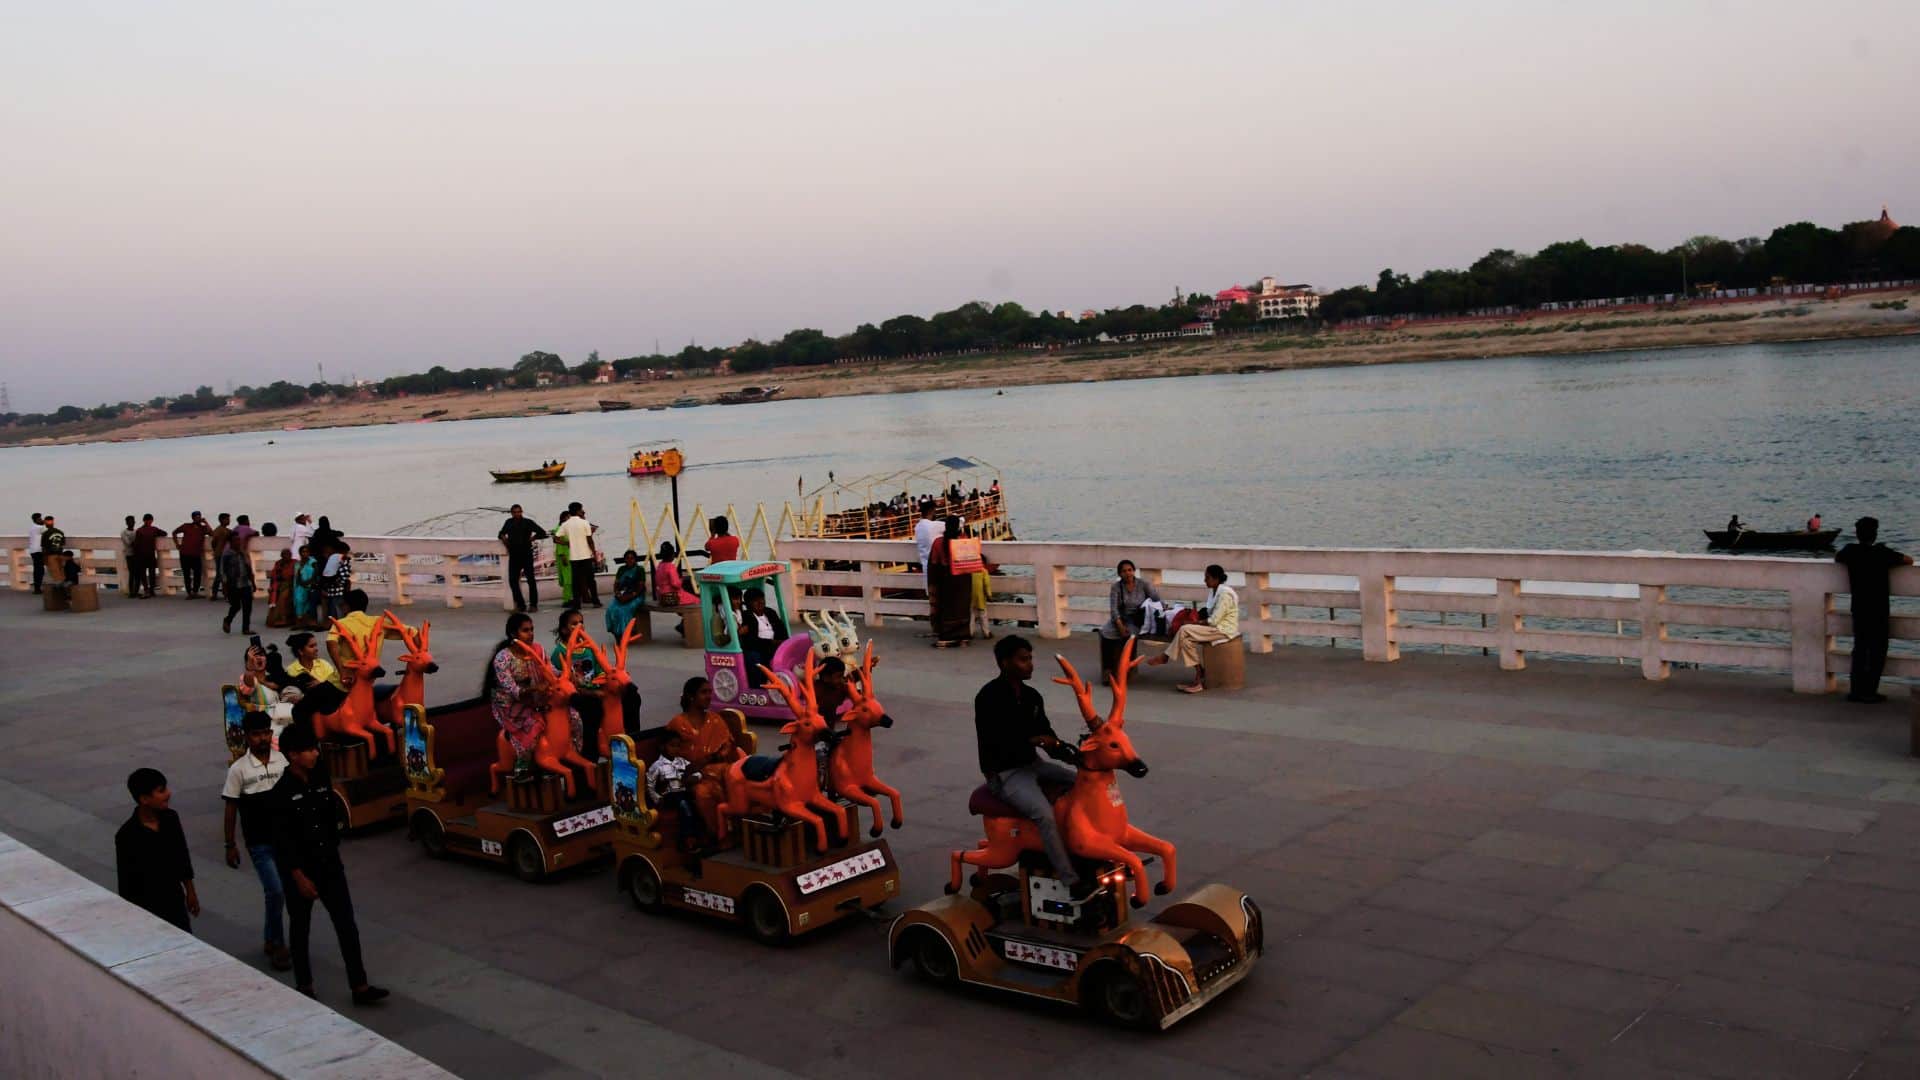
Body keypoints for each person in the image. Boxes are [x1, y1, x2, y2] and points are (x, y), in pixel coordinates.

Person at [268, 724, 388, 1004]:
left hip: (330, 865)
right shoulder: (281, 793)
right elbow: (282, 843)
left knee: (347, 925)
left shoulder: (321, 775)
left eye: (315, 748)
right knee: (300, 928)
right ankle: (304, 985)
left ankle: (359, 986)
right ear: (292, 755)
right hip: (301, 871)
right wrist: (299, 877)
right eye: (309, 750)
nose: (315, 754)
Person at [974, 635, 1080, 888]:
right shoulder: (987, 697)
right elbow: (997, 740)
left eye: (1030, 658)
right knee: (1044, 814)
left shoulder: (1033, 696)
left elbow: (1047, 732)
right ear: (1004, 663)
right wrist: (1035, 740)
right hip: (1005, 773)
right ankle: (1070, 879)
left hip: (1032, 764)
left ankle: (1077, 847)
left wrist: (1070, 753)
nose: (1030, 665)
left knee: (1081, 783)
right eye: (1023, 660)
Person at [222, 711, 292, 971]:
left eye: (265, 733)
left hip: (285, 839)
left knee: (276, 894)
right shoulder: (238, 770)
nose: (262, 738)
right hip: (259, 842)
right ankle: (279, 945)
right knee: (275, 890)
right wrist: (230, 844)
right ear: (247, 737)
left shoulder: (283, 762)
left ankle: (270, 939)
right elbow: (230, 809)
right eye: (256, 734)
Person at [1835, 517, 1913, 704]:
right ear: (1875, 534)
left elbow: (1837, 557)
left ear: (1857, 534)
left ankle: (1856, 691)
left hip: (1859, 608)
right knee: (1877, 650)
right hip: (1878, 610)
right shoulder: (1882, 553)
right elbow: (1909, 560)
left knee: (1860, 648)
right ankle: (1870, 691)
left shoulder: (1850, 551)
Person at [115, 768, 199, 932]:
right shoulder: (127, 835)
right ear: (144, 799)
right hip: (148, 906)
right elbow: (126, 881)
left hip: (174, 899)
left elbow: (182, 856)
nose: (168, 793)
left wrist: (190, 891)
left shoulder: (171, 818)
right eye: (161, 791)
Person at [668, 677, 748, 838]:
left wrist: (716, 758)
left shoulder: (715, 719)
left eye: (710, 692)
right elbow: (672, 757)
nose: (709, 696)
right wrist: (701, 765)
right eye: (704, 692)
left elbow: (728, 746)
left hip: (721, 769)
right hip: (694, 777)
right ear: (691, 696)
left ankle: (744, 829)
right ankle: (719, 835)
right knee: (703, 792)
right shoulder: (677, 724)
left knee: (740, 780)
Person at [1146, 564, 1239, 693]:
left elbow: (1214, 620)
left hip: (1223, 629)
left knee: (1184, 629)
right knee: (1186, 640)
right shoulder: (1214, 592)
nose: (1204, 580)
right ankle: (1199, 674)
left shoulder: (1224, 595)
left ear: (1216, 579)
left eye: (1207, 577)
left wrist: (1196, 623)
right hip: (1215, 627)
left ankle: (1166, 656)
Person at [485, 613, 551, 767]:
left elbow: (550, 670)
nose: (530, 634)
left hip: (536, 699)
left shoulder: (538, 650)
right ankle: (522, 767)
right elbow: (512, 690)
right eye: (525, 630)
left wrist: (565, 675)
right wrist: (535, 688)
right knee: (535, 725)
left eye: (532, 630)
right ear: (513, 634)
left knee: (571, 716)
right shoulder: (503, 658)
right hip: (510, 705)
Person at [1100, 560, 1162, 684]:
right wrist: (1120, 625)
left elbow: (1157, 600)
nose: (1127, 573)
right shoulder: (1116, 587)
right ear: (1119, 573)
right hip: (1121, 618)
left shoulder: (1143, 584)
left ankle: (1125, 670)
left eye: (1130, 570)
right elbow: (1114, 610)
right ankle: (1108, 670)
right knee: (1105, 633)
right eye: (1124, 571)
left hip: (1137, 619)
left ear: (1134, 571)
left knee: (1129, 637)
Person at [646, 737, 710, 854]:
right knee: (684, 805)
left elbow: (696, 771)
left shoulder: (682, 761)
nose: (675, 749)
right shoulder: (657, 765)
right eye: (672, 745)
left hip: (684, 792)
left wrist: (696, 776)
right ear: (663, 747)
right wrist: (657, 799)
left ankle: (703, 837)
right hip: (669, 796)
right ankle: (687, 839)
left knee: (697, 804)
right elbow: (649, 784)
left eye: (678, 746)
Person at [926, 516, 972, 647]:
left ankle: (946, 635)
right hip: (962, 580)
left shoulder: (938, 542)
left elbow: (933, 563)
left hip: (945, 579)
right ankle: (963, 635)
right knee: (961, 607)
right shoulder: (964, 540)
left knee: (946, 608)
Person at [498, 504, 549, 613]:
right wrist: (505, 540)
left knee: (531, 580)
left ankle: (533, 604)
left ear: (522, 512)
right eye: (514, 512)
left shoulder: (528, 522)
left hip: (526, 554)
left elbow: (542, 532)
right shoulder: (509, 522)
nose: (517, 514)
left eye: (519, 512)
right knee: (512, 580)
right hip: (514, 555)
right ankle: (521, 604)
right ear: (511, 513)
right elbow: (501, 533)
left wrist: (533, 538)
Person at [560, 502, 600, 608]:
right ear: (578, 511)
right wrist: (594, 553)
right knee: (591, 580)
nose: (583, 511)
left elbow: (556, 538)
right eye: (581, 509)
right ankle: (596, 601)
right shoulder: (584, 523)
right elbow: (589, 540)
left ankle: (577, 603)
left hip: (574, 557)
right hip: (585, 556)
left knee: (575, 581)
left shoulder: (565, 524)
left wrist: (567, 543)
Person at [605, 549, 648, 638]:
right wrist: (618, 594)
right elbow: (616, 584)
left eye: (632, 558)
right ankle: (615, 631)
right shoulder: (621, 569)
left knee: (623, 611)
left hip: (636, 596)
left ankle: (624, 633)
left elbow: (640, 587)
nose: (629, 560)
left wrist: (630, 596)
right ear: (624, 560)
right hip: (622, 595)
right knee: (611, 610)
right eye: (627, 558)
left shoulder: (640, 569)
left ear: (635, 560)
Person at [221, 539, 257, 635]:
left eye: (239, 541)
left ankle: (246, 628)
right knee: (236, 606)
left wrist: (253, 583)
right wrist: (224, 586)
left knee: (247, 607)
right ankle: (228, 620)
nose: (238, 543)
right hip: (233, 584)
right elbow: (223, 572)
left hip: (245, 583)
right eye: (235, 541)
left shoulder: (244, 554)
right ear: (231, 543)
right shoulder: (227, 555)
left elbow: (249, 568)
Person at [913, 499, 943, 615]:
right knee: (941, 600)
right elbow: (955, 524)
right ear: (932, 510)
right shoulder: (934, 526)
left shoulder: (918, 527)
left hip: (926, 568)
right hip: (937, 567)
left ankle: (935, 627)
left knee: (932, 601)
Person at [172, 511, 211, 598]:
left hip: (196, 554)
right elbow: (174, 532)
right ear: (193, 518)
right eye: (196, 517)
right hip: (184, 553)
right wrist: (177, 544)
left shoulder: (203, 528)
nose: (198, 518)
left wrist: (206, 522)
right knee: (186, 574)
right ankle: (189, 593)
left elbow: (211, 533)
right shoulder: (186, 526)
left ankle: (195, 592)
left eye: (199, 517)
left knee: (197, 573)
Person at [319, 540, 351, 621]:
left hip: (328, 583)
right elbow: (345, 574)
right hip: (337, 584)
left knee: (332, 603)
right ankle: (346, 619)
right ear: (344, 551)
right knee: (340, 603)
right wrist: (342, 583)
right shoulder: (342, 557)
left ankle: (331, 620)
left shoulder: (331, 557)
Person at [266, 548, 298, 628]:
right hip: (278, 584)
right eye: (285, 555)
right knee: (274, 594)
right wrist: (271, 586)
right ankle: (274, 619)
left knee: (283, 597)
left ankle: (283, 619)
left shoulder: (295, 563)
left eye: (288, 554)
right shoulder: (278, 563)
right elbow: (273, 576)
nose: (287, 556)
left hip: (290, 584)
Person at [208, 513, 233, 602]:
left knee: (224, 574)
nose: (229, 521)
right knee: (219, 574)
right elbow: (213, 542)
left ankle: (225, 592)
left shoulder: (226, 530)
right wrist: (216, 551)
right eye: (227, 519)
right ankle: (214, 593)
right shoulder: (219, 530)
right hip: (220, 555)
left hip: (224, 554)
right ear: (222, 520)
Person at [552, 510, 574, 607]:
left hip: (569, 555)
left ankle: (570, 597)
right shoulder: (560, 529)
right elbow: (559, 543)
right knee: (567, 579)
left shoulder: (567, 528)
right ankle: (567, 599)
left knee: (569, 579)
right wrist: (563, 556)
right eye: (568, 517)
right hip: (564, 556)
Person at [120, 515, 139, 593]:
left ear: (134, 522)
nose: (131, 523)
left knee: (137, 573)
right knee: (132, 573)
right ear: (126, 523)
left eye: (132, 521)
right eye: (129, 521)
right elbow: (128, 543)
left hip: (137, 555)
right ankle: (131, 592)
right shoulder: (124, 533)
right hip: (129, 555)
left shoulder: (136, 531)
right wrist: (137, 543)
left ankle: (136, 591)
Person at [28, 512, 46, 594]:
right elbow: (49, 532)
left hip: (33, 550)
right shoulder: (39, 528)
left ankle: (37, 587)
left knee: (38, 570)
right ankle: (37, 588)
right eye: (40, 519)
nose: (41, 520)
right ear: (36, 520)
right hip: (37, 551)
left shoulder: (33, 527)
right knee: (39, 570)